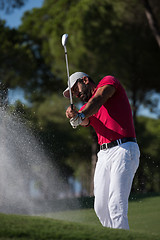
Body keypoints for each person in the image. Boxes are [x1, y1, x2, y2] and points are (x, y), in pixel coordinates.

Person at [63, 72, 140, 230]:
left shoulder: (108, 82)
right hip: (104, 155)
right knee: (100, 208)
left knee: (116, 206)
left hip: (124, 149)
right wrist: (75, 115)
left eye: (75, 89)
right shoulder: (87, 108)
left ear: (85, 80)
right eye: (73, 94)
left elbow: (98, 99)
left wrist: (81, 114)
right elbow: (84, 120)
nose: (76, 94)